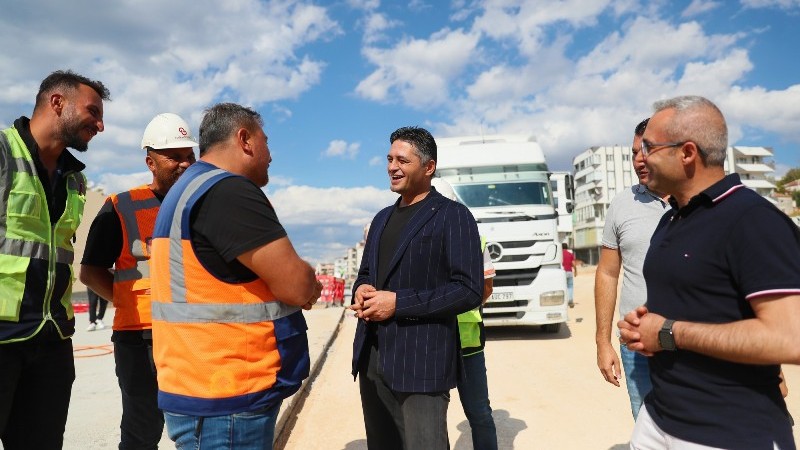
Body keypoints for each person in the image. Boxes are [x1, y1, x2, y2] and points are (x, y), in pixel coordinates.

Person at [619, 95, 800, 449]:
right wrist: (643, 327)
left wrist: (668, 333)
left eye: (649, 148)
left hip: (726, 432)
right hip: (658, 419)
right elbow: (699, 301)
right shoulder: (672, 220)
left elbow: (790, 338)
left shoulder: (753, 220)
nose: (641, 158)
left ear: (687, 153)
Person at [149, 103, 321, 449]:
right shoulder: (228, 191)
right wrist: (309, 281)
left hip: (200, 387)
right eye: (266, 142)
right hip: (228, 395)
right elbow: (296, 284)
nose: (270, 155)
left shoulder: (188, 190)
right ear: (244, 139)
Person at [350, 126, 484, 450]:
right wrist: (362, 288)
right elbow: (366, 272)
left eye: (402, 160)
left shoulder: (454, 216)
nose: (392, 167)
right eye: (389, 159)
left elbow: (468, 289)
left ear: (428, 167)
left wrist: (398, 303)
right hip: (373, 359)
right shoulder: (381, 219)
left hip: (421, 362)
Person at [0, 70, 109, 450]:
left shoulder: (75, 179)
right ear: (57, 102)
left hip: (52, 342)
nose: (100, 125)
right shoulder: (3, 153)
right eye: (93, 112)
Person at [79, 112, 198, 449]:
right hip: (139, 339)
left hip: (194, 333)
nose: (184, 163)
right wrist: (127, 303)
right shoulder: (121, 206)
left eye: (189, 155)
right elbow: (90, 271)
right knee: (141, 431)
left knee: (198, 428)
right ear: (151, 162)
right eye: (173, 156)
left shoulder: (203, 205)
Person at [594, 118, 671, 420]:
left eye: (646, 150)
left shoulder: (699, 202)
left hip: (692, 343)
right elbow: (607, 273)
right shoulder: (621, 205)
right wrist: (603, 342)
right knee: (646, 428)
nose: (639, 159)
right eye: (634, 153)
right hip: (636, 345)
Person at [431, 176, 498, 450]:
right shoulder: (424, 242)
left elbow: (487, 287)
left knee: (473, 413)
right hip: (442, 341)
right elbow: (486, 289)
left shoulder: (476, 240)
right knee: (441, 417)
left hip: (461, 341)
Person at [562, 242, 577, 307]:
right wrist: (576, 271)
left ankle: (563, 301)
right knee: (570, 286)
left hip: (562, 273)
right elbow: (573, 263)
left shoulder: (559, 255)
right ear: (567, 247)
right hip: (569, 272)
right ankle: (570, 300)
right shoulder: (570, 254)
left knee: (562, 287)